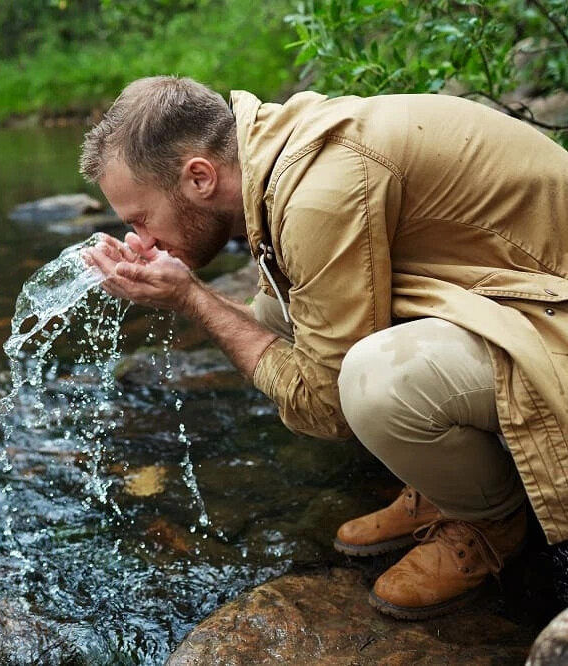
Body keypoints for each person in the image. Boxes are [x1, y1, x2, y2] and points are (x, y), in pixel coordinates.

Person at [80, 75, 568, 620]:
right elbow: (277, 329)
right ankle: (444, 485)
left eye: (140, 220)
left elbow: (329, 406)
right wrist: (189, 294)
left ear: (199, 176)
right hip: (511, 294)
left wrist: (194, 299)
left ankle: (490, 522)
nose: (140, 241)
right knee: (276, 316)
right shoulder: (279, 155)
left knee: (373, 383)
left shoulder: (318, 193)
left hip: (551, 315)